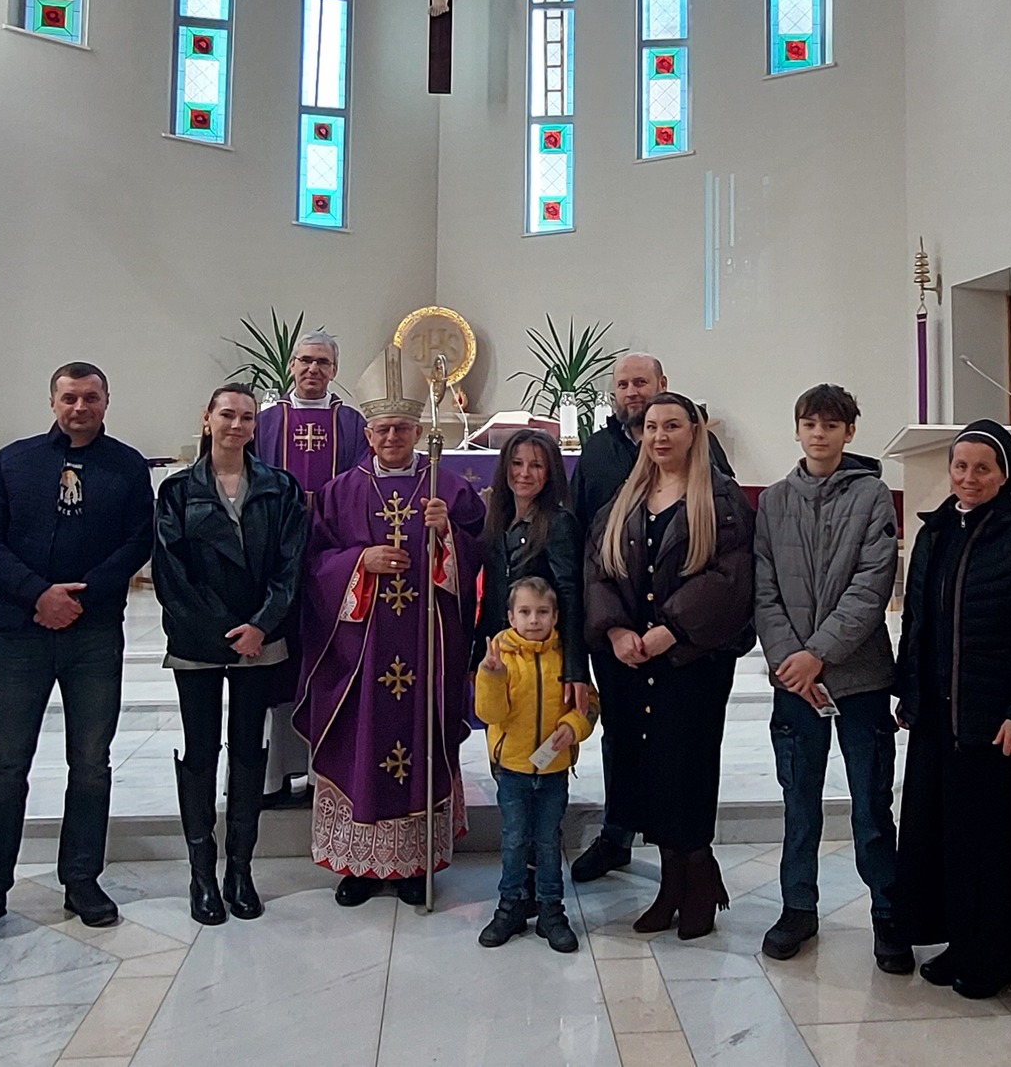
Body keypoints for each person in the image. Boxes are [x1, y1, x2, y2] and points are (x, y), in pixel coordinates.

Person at [0, 363, 154, 943]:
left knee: (90, 761)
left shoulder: (128, 466)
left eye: (91, 397)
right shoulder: (12, 462)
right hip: (22, 630)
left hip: (94, 632)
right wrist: (39, 594)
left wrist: (79, 598)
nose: (80, 407)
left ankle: (82, 878)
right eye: (70, 397)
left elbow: (138, 541)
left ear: (107, 401)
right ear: (53, 401)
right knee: (8, 762)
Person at [893, 420, 1011, 1000]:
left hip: (997, 726)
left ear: (1005, 475)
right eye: (960, 466)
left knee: (993, 847)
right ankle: (961, 942)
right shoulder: (935, 534)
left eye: (982, 468)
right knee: (948, 841)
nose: (968, 478)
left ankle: (994, 957)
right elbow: (918, 623)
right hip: (939, 722)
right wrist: (910, 694)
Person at [299, 397, 485, 906]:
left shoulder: (446, 486)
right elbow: (314, 563)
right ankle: (360, 864)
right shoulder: (341, 492)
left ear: (418, 431)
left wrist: (448, 535)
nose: (391, 438)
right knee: (362, 740)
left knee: (421, 738)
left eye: (401, 428)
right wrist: (360, 562)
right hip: (361, 649)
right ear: (368, 434)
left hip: (427, 644)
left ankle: (414, 862)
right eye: (381, 429)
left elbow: (480, 552)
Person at [584, 391, 756, 941]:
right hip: (632, 661)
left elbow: (730, 578)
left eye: (672, 426)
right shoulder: (626, 497)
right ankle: (673, 883)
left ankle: (697, 878)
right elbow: (598, 567)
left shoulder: (721, 498)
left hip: (691, 661)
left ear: (694, 432)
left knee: (687, 767)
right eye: (652, 427)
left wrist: (672, 630)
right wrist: (616, 629)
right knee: (648, 770)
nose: (660, 436)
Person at [751, 384, 907, 969]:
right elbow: (763, 587)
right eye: (810, 424)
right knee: (799, 803)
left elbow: (872, 585)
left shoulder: (871, 496)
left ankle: (888, 913)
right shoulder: (774, 501)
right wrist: (791, 660)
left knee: (871, 805)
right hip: (795, 681)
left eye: (831, 425)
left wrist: (818, 653)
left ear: (850, 432)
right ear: (797, 430)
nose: (819, 434)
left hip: (860, 676)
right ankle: (798, 907)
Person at [566, 353, 734, 883]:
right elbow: (587, 544)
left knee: (679, 755)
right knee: (623, 742)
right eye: (623, 384)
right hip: (623, 642)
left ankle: (685, 872)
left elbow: (727, 558)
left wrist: (673, 628)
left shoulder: (711, 472)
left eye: (641, 382)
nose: (632, 391)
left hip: (683, 645)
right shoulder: (598, 452)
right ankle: (617, 836)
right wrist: (612, 627)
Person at [152, 384, 309, 926]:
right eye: (227, 414)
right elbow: (170, 571)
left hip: (259, 641)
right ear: (207, 418)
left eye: (246, 417)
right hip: (198, 642)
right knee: (200, 751)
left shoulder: (280, 487)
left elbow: (291, 564)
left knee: (247, 750)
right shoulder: (177, 491)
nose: (236, 425)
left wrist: (261, 625)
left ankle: (240, 870)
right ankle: (202, 875)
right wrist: (222, 631)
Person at [255, 330, 365, 810]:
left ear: (334, 370)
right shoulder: (264, 423)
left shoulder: (354, 425)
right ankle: (273, 775)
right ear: (291, 366)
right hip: (275, 562)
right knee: (277, 667)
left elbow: (364, 491)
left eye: (322, 362)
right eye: (305, 360)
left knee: (327, 661)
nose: (312, 369)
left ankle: (327, 771)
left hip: (332, 563)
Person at [472, 577, 592, 952]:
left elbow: (588, 707)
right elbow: (489, 713)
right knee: (514, 840)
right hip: (513, 770)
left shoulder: (566, 657)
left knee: (548, 841)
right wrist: (491, 676)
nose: (534, 620)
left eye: (542, 612)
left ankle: (551, 911)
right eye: (525, 612)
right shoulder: (501, 656)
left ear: (555, 616)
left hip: (553, 771)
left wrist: (572, 728)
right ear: (511, 616)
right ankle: (509, 906)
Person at [476, 428, 581, 684]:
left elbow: (570, 595)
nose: (524, 473)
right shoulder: (497, 520)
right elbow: (491, 594)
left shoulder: (558, 523)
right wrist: (478, 654)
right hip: (501, 650)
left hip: (542, 656)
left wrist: (575, 671)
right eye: (516, 463)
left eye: (536, 465)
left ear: (550, 473)